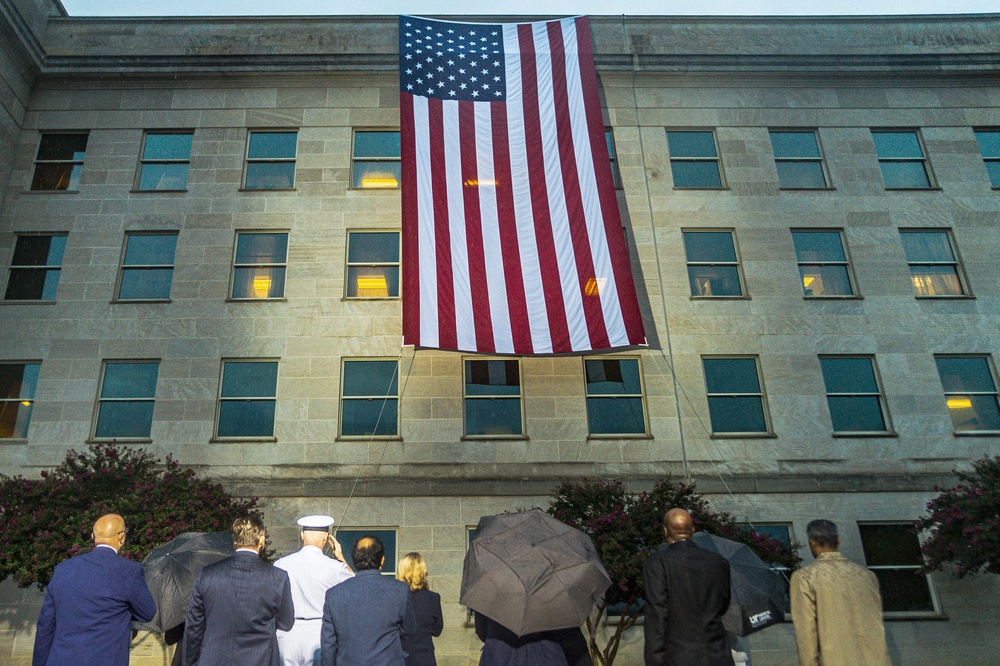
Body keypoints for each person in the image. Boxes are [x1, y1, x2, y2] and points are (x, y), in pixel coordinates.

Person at [32, 513, 156, 666]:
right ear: (121, 536)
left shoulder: (63, 569)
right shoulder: (128, 571)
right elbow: (148, 612)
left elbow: (46, 626)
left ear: (93, 536)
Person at [183, 515, 295, 666]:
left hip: (214, 658)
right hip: (259, 659)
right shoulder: (277, 578)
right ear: (261, 540)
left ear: (234, 540)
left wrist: (190, 662)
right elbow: (286, 623)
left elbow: (194, 627)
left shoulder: (208, 575)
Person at [790, 519, 890, 666]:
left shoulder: (805, 577)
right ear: (838, 542)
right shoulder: (867, 575)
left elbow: (806, 634)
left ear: (812, 543)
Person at [642, 508, 733, 666]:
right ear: (692, 530)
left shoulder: (656, 563)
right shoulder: (719, 562)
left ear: (665, 531)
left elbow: (657, 615)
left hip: (678, 656)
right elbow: (723, 604)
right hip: (717, 654)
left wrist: (655, 660)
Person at [320, 535, 415, 666]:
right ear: (382, 560)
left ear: (354, 560)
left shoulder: (334, 595)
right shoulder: (399, 590)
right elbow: (409, 631)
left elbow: (328, 646)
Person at [275, 515, 354, 666]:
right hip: (319, 631)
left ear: (302, 535)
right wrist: (341, 557)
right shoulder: (335, 567)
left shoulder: (281, 564)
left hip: (288, 632)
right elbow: (356, 586)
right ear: (326, 538)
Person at [473, 612, 574, 666]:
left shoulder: (489, 587)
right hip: (545, 656)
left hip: (500, 656)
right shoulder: (552, 585)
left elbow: (481, 632)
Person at [396, 552, 442, 666]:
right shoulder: (433, 598)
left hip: (400, 657)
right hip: (425, 658)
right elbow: (437, 630)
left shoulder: (394, 597)